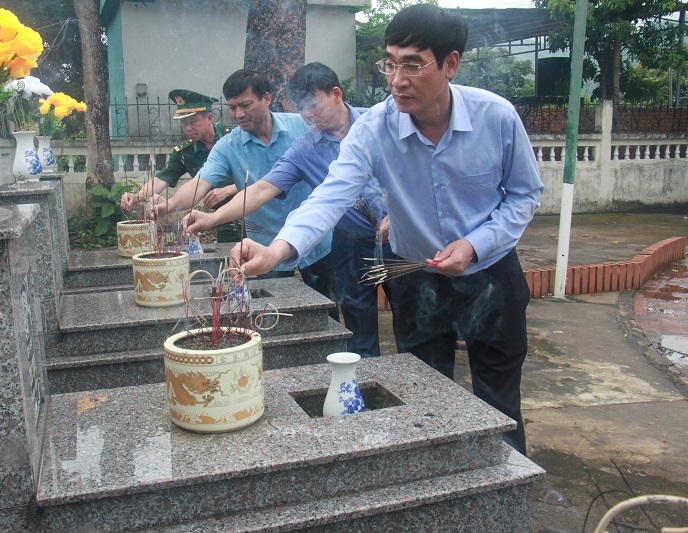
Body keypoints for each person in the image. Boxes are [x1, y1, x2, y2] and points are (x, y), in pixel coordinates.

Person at [230, 4, 544, 455]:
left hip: (491, 276)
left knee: (498, 398)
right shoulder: (374, 129)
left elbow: (523, 195)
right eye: (391, 62)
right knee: (426, 397)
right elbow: (329, 196)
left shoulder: (495, 117)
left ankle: (505, 492)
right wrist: (276, 250)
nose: (397, 79)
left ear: (451, 63)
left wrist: (475, 246)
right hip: (415, 277)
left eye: (413, 64)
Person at [183, 62, 400, 357]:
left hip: (402, 240)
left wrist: (399, 214)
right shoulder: (304, 149)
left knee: (414, 320)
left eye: (313, 104)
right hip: (351, 243)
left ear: (336, 94)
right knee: (358, 327)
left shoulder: (380, 124)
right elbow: (260, 189)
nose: (307, 114)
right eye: (300, 107)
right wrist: (212, 218)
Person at [150, 69, 339, 320]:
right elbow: (200, 183)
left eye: (246, 105)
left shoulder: (302, 126)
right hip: (264, 248)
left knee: (326, 315)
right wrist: (171, 204)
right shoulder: (228, 147)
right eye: (232, 107)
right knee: (271, 318)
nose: (239, 114)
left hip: (317, 241)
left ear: (267, 99)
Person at [119, 89, 238, 242]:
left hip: (257, 209)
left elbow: (262, 174)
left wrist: (229, 190)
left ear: (209, 117)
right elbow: (162, 179)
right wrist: (137, 197)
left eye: (192, 122)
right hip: (225, 219)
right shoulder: (185, 152)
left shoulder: (234, 137)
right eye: (183, 122)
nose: (187, 128)